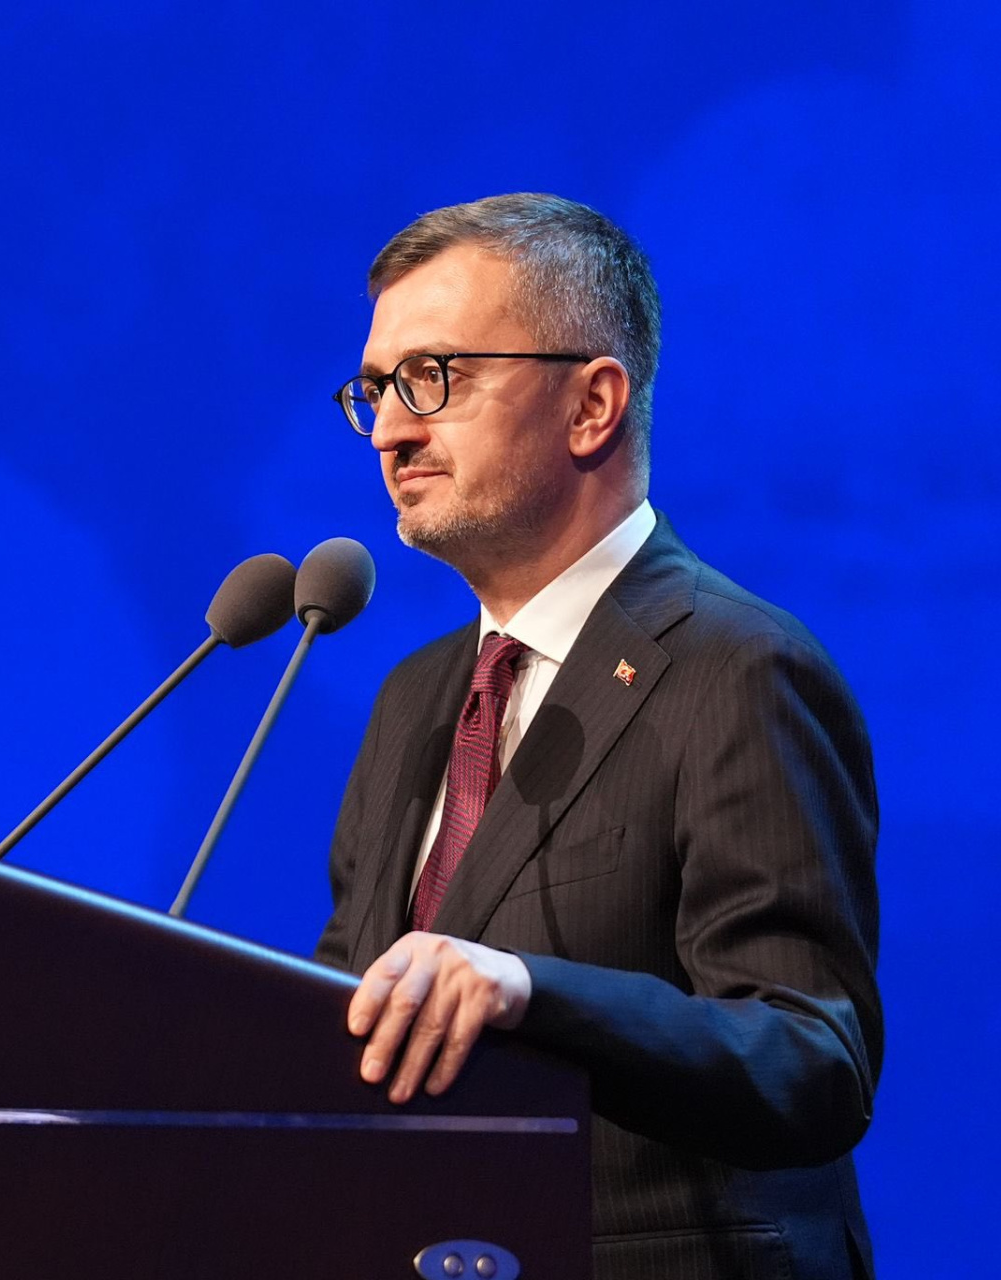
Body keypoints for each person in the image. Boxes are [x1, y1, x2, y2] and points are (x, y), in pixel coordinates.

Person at [315, 194, 881, 1280]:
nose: (389, 430)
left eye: (433, 377)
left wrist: (531, 992)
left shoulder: (738, 667)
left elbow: (810, 1058)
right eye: (377, 389)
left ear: (591, 405)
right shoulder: (412, 698)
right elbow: (357, 1016)